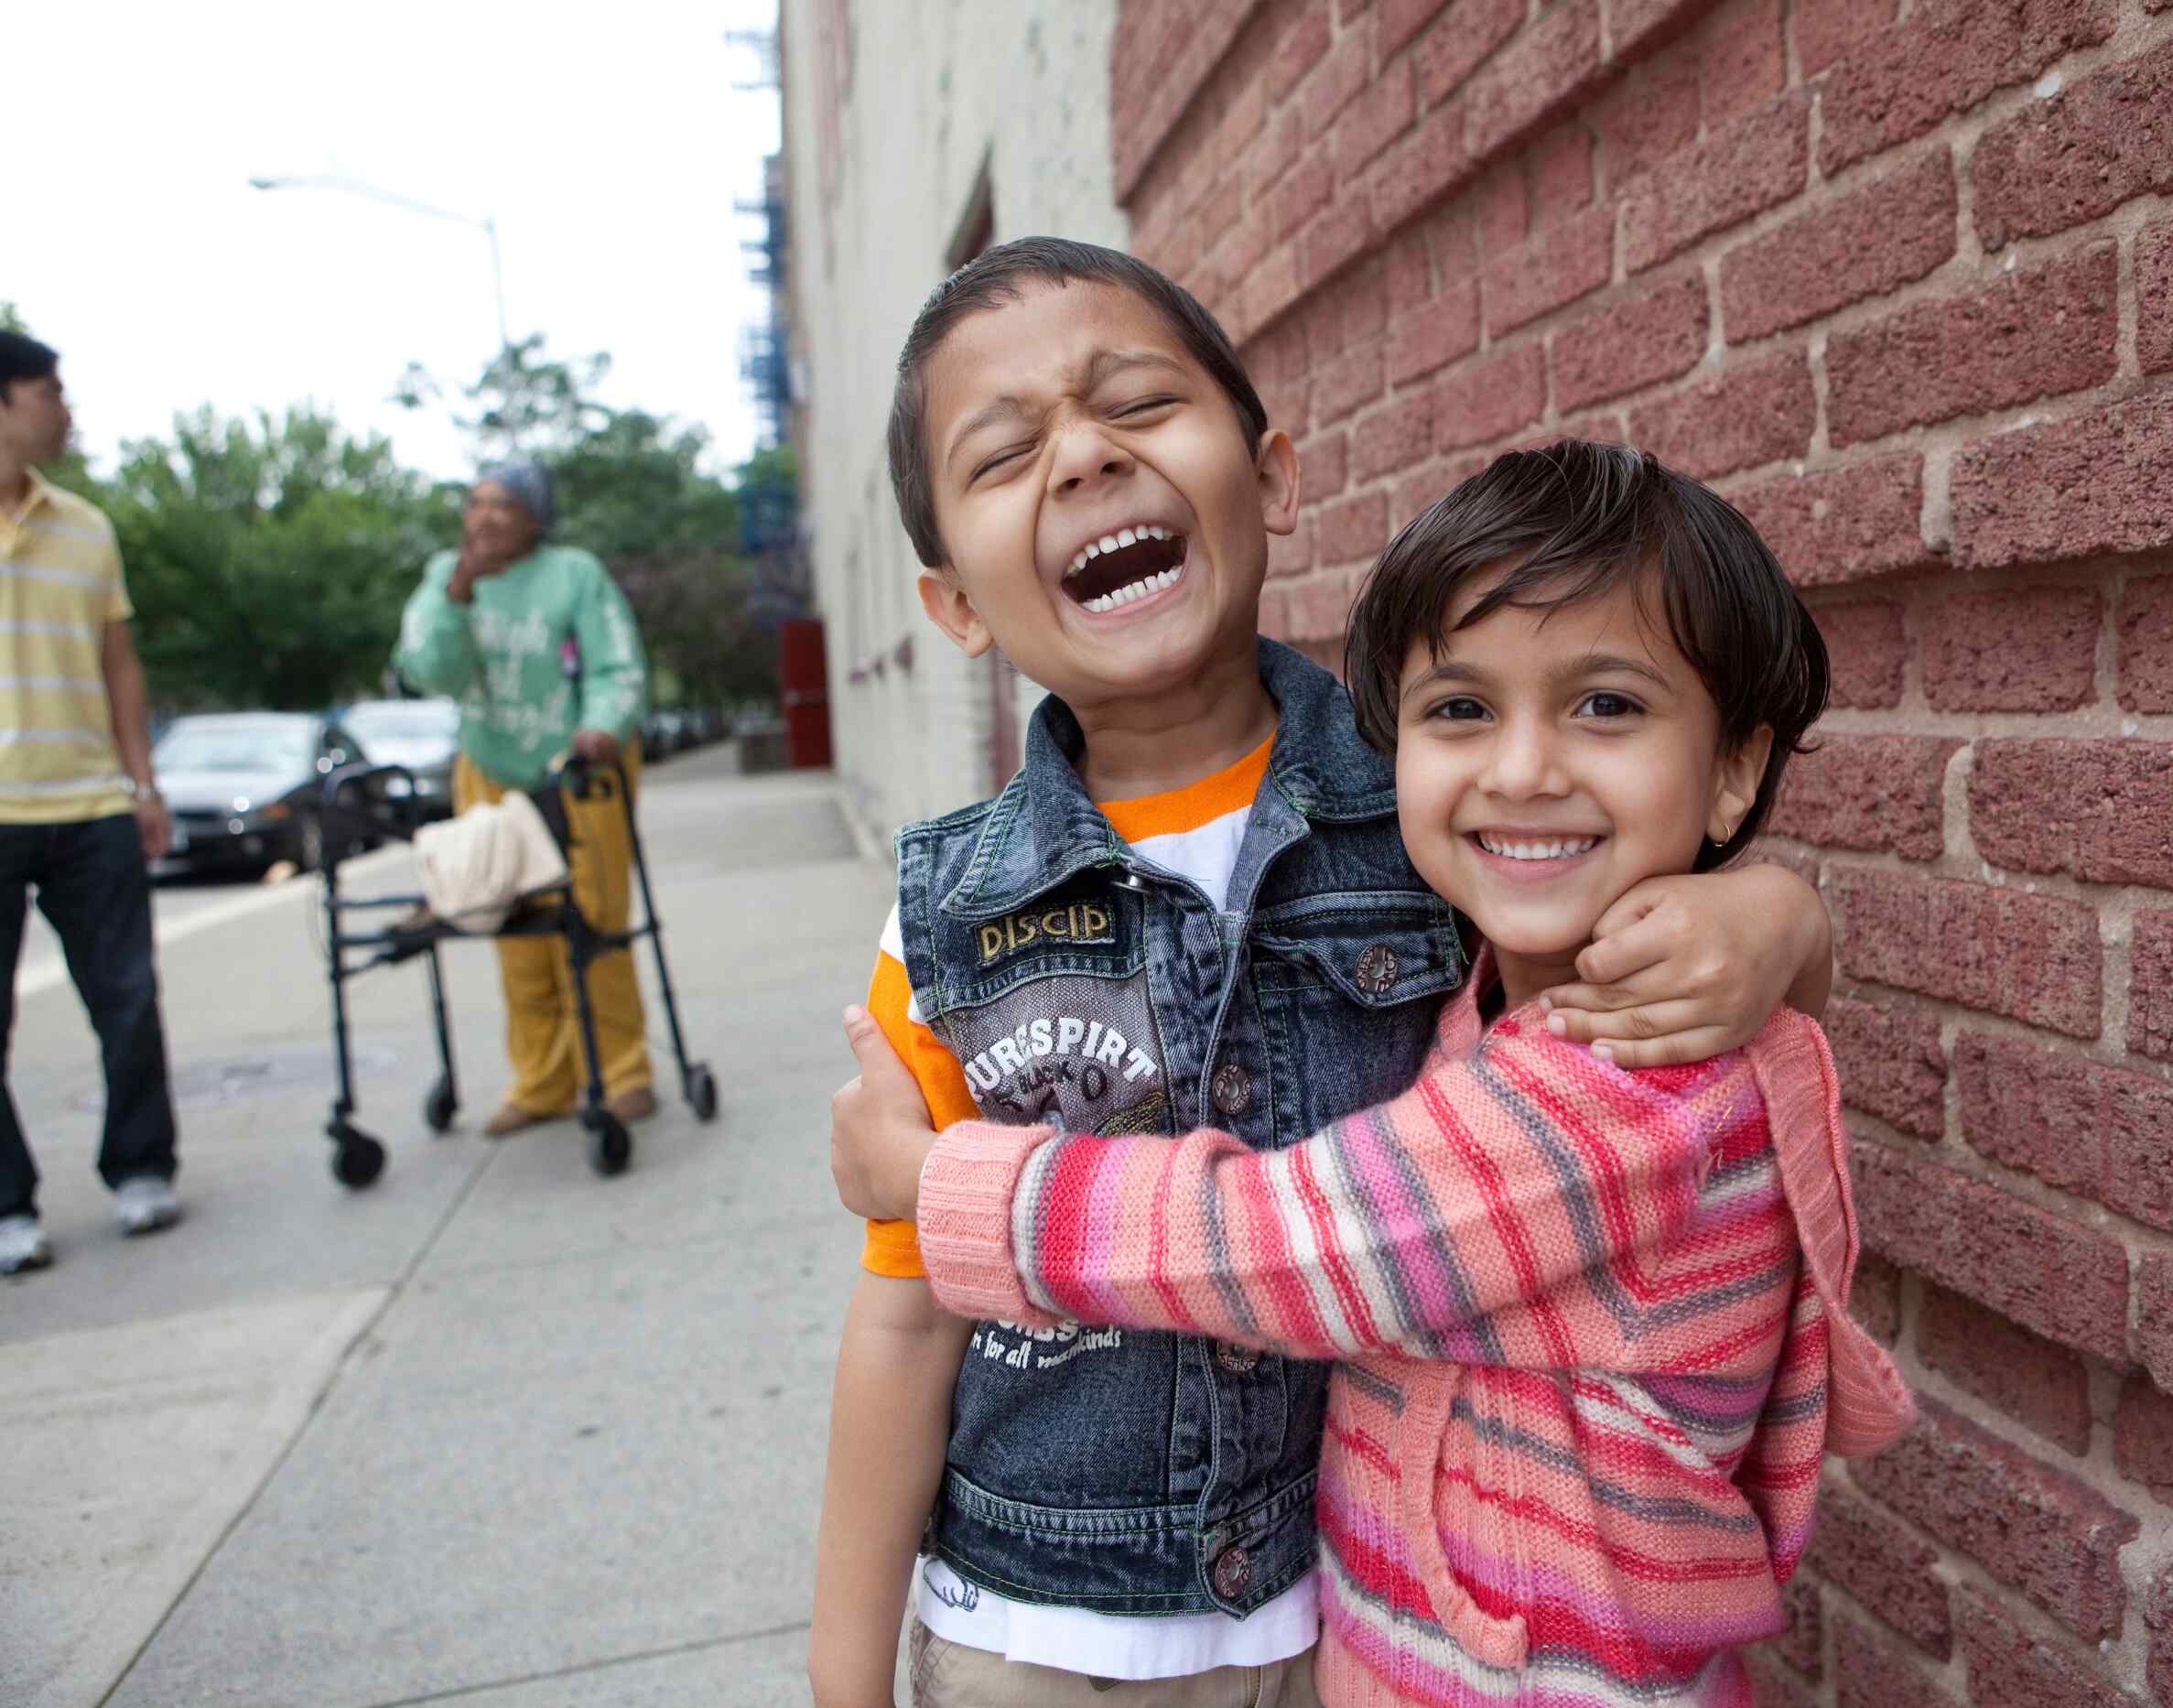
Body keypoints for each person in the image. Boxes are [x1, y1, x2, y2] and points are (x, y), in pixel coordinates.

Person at [807, 242, 1838, 1708]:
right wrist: (842, 1672)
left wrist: (1780, 908)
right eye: (1007, 451)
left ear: (1274, 474)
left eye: (1137, 403)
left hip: (1344, 1609)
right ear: (954, 604)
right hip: (1039, 1626)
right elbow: (908, 1315)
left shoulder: (1436, 804)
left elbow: (1615, 946)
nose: (1088, 457)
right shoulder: (953, 915)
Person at [392, 462, 653, 1135]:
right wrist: (455, 595)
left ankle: (622, 1072)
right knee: (510, 926)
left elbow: (615, 664)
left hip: (574, 770)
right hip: (490, 769)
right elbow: (430, 672)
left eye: (502, 504)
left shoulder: (573, 573)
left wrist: (602, 722)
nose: (483, 517)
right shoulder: (446, 577)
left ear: (535, 517)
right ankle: (542, 1081)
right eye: (475, 503)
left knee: (591, 920)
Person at [0, 330, 181, 1274]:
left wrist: (140, 783)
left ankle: (142, 1165)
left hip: (90, 804)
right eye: (48, 392)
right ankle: (6, 1207)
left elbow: (119, 665)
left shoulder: (86, 529)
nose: (64, 410)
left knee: (127, 996)